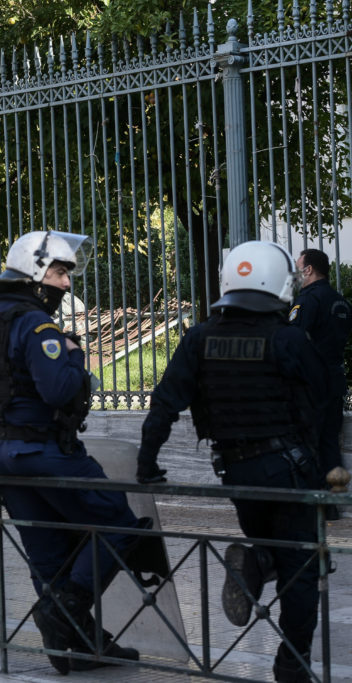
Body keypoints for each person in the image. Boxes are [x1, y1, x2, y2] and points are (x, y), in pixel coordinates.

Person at [137, 240, 326, 683]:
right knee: (302, 568)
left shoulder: (200, 337)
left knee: (276, 547)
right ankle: (292, 664)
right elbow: (318, 403)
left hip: (235, 473)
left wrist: (148, 464)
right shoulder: (288, 338)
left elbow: (164, 402)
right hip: (288, 467)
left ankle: (258, 561)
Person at [0, 230, 147, 674]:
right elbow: (60, 389)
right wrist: (76, 355)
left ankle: (75, 647)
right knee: (119, 524)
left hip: (2, 452)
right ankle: (63, 615)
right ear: (35, 273)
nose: (67, 284)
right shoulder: (38, 326)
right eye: (61, 272)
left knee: (49, 552)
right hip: (44, 450)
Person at [289, 248, 351, 520]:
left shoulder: (308, 300)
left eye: (298, 267)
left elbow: (293, 339)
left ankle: (313, 503)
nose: (297, 273)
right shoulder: (340, 302)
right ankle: (332, 504)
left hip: (311, 383)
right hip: (335, 379)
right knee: (329, 442)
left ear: (309, 269)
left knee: (307, 442)